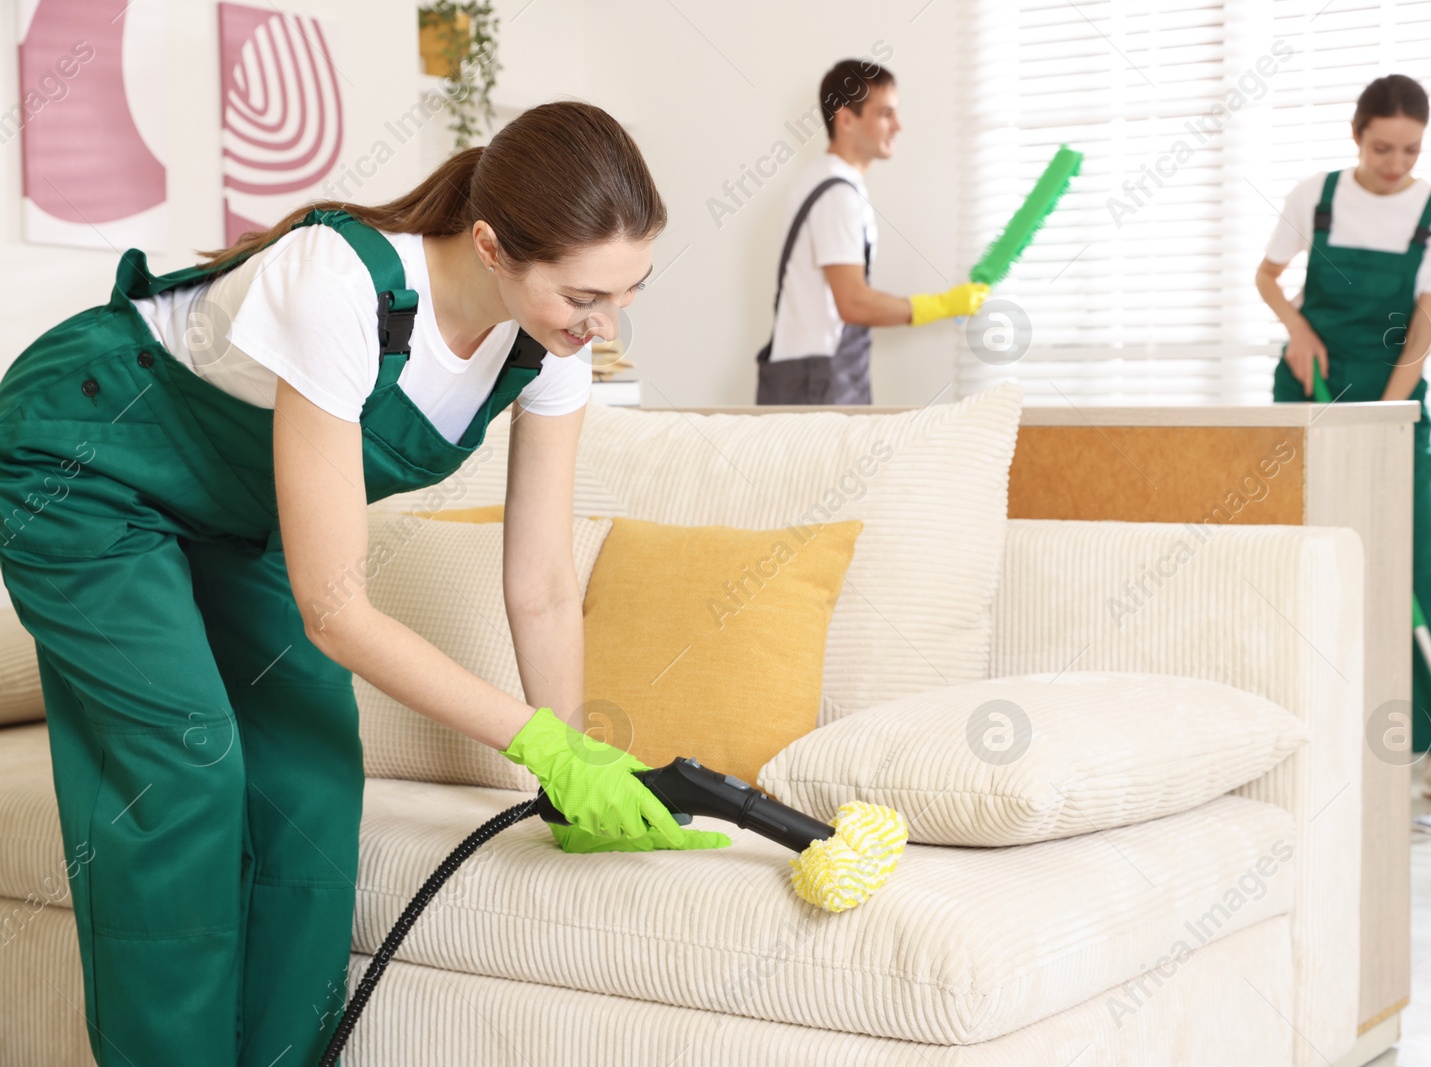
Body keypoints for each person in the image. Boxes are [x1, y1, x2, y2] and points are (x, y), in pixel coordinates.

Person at [0, 101, 729, 1067]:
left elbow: (544, 580)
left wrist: (574, 775)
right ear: (490, 244)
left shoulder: (544, 345)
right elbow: (336, 612)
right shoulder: (342, 284)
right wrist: (535, 740)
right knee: (188, 767)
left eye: (626, 292)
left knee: (311, 774)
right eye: (585, 295)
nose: (605, 323)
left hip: (233, 512)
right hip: (85, 463)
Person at [1255, 74, 1431, 807]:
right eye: (1382, 147)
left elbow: (1423, 331)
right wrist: (1298, 330)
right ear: (1357, 135)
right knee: (1300, 554)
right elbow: (1268, 276)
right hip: (1309, 389)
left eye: (1411, 150)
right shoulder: (1315, 197)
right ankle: (1294, 734)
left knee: (1413, 568)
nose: (1395, 163)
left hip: (1393, 398)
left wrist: (1386, 415)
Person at [755, 58, 990, 404]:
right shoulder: (836, 195)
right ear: (847, 120)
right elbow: (853, 303)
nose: (899, 126)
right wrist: (940, 306)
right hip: (817, 382)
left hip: (813, 376)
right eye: (885, 114)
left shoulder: (826, 182)